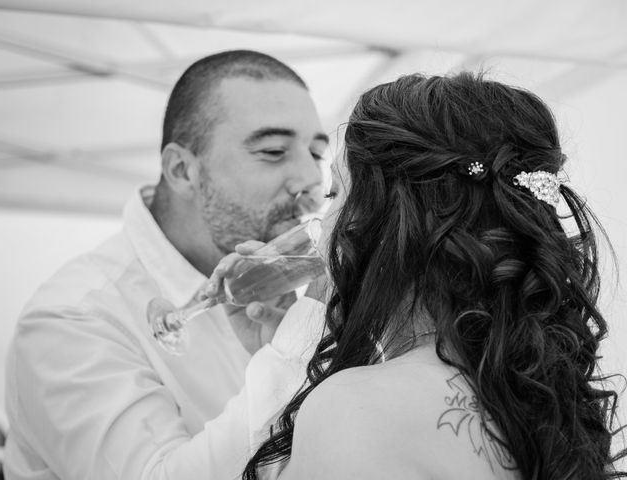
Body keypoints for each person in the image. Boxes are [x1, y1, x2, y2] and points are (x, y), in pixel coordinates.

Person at [236, 72, 627, 479]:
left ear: (386, 222)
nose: (322, 229)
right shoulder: (547, 408)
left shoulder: (357, 407)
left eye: (334, 193)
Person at [4, 50, 330, 480]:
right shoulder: (72, 318)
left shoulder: (279, 296)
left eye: (316, 152)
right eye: (273, 151)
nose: (311, 179)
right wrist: (294, 352)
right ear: (181, 170)